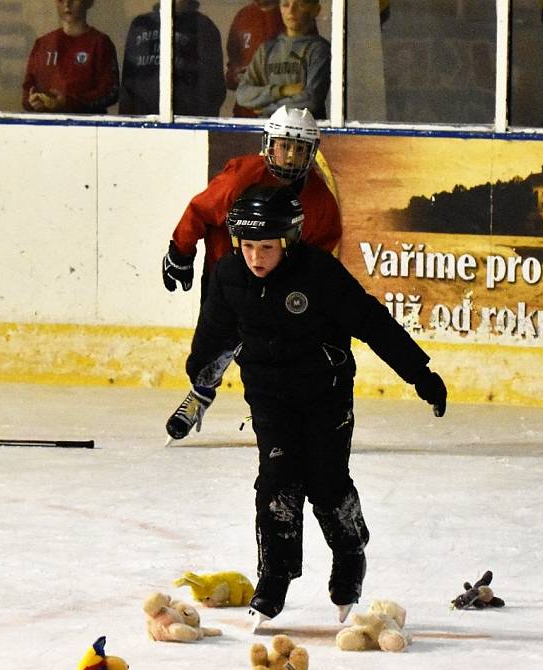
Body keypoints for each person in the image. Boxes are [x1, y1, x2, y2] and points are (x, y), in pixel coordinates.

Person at [182, 184, 447, 628]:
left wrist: (420, 374)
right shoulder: (230, 276)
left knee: (326, 483)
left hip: (325, 396)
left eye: (266, 247)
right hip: (269, 399)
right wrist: (200, 374)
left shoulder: (319, 275)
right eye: (247, 246)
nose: (255, 257)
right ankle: (275, 577)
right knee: (276, 484)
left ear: (288, 241)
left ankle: (349, 556)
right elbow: (213, 332)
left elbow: (373, 324)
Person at [163, 105, 341, 440]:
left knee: (269, 356)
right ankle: (201, 392)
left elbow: (320, 256)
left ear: (311, 153)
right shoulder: (241, 177)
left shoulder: (321, 204)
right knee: (210, 350)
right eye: (283, 146)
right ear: (269, 144)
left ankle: (276, 414)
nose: (289, 156)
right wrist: (180, 252)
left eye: (298, 148)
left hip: (276, 290)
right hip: (225, 280)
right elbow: (200, 211)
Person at [119, 0, 225, 117]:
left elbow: (213, 86)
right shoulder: (141, 24)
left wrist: (201, 125)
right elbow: (128, 81)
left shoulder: (203, 27)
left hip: (185, 121)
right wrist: (125, 121)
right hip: (142, 120)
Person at [235, 0, 330, 119]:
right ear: (280, 9)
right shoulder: (266, 50)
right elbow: (242, 94)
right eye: (285, 5)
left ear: (315, 10)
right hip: (269, 130)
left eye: (300, 4)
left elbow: (311, 100)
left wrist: (267, 108)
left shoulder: (318, 50)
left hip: (305, 130)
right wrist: (282, 90)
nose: (291, 11)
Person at [22, 0, 119, 114]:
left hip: (87, 127)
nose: (67, 4)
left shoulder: (100, 43)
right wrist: (33, 102)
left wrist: (70, 102)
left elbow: (110, 92)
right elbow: (27, 90)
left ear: (89, 2)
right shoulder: (43, 44)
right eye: (61, 0)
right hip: (47, 127)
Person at [225, 0, 285, 117]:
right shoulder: (243, 15)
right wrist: (236, 75)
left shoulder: (291, 15)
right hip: (246, 112)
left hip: (282, 114)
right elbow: (233, 63)